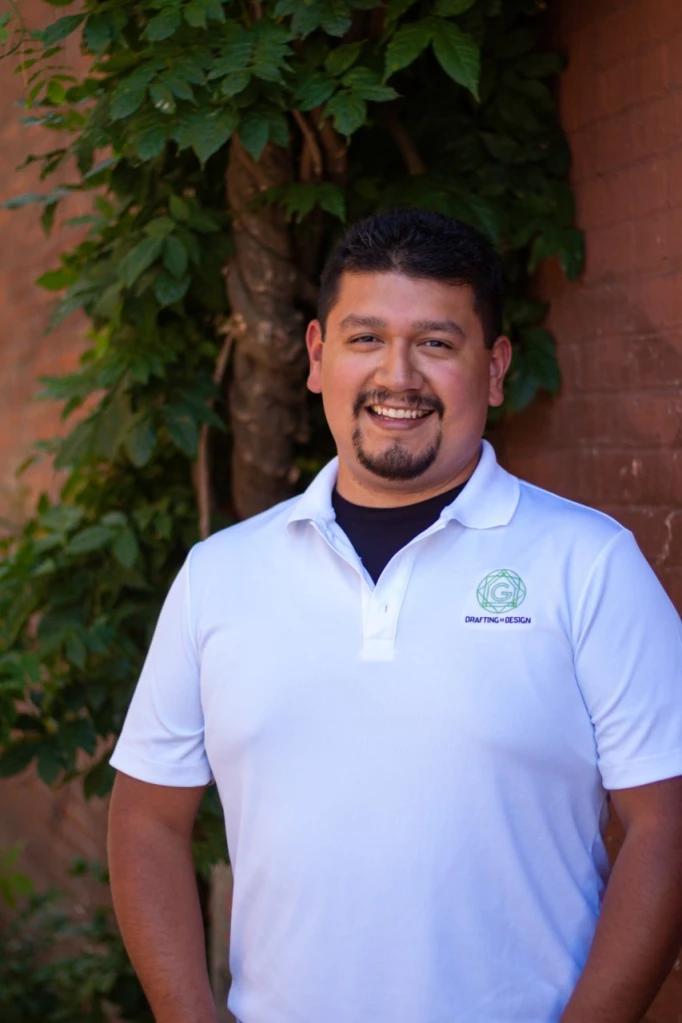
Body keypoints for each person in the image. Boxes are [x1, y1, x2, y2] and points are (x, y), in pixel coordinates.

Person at [108, 209, 682, 1023]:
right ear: (317, 357)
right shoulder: (220, 575)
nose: (398, 376)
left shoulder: (588, 564)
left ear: (494, 368)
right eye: (366, 338)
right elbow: (146, 817)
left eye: (438, 344)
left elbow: (666, 821)